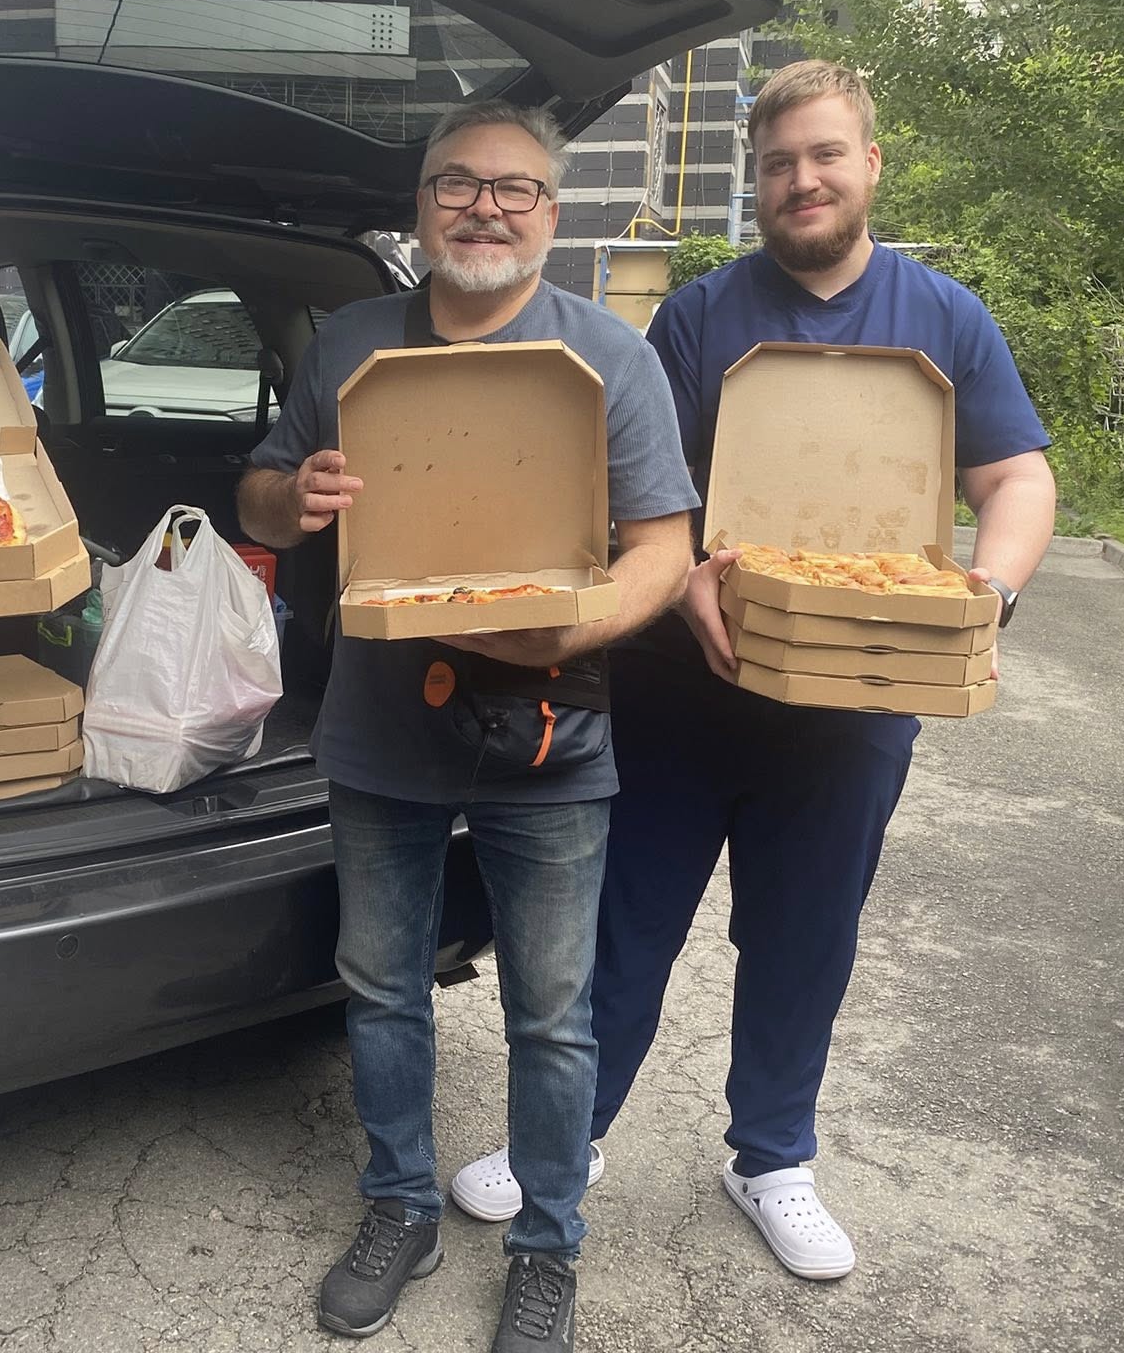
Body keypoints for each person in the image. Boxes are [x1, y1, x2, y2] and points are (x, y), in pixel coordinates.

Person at [450, 60, 1057, 1281]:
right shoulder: (696, 317)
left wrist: (981, 596)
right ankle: (566, 1135)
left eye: (824, 155)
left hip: (855, 702)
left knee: (803, 938)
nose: (801, 180)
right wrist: (682, 583)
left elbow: (1015, 478)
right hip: (682, 694)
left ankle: (771, 1158)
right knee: (622, 930)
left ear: (868, 163)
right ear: (755, 180)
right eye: (777, 163)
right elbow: (645, 496)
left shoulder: (945, 319)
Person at [239, 101, 698, 1351]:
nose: (484, 208)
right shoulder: (350, 343)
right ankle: (399, 1205)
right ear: (421, 202)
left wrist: (580, 627)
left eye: (514, 188)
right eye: (456, 183)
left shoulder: (609, 355)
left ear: (551, 212)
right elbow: (259, 499)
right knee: (381, 987)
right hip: (379, 730)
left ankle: (547, 1247)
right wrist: (294, 495)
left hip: (551, 738)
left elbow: (665, 548)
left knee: (550, 1012)